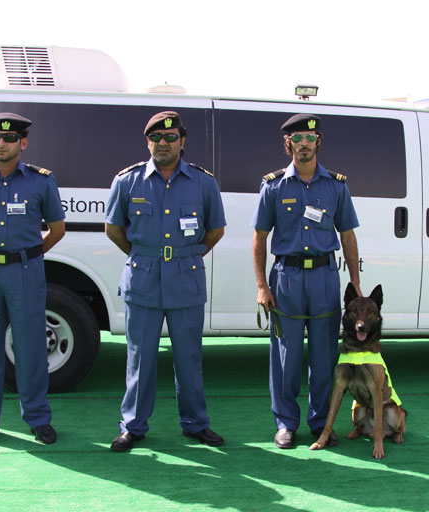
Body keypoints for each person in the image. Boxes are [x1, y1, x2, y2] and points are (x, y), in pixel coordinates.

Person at [105, 111, 226, 452]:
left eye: (171, 137)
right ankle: (133, 426)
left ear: (182, 141)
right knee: (139, 358)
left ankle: (195, 424)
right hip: (143, 279)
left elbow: (215, 229)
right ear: (148, 142)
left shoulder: (203, 183)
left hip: (185, 281)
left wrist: (188, 255)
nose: (163, 143)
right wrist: (144, 255)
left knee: (188, 358)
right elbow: (113, 228)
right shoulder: (128, 181)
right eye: (156, 137)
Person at [251, 113, 362, 449]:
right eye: (297, 139)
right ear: (289, 145)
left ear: (318, 142)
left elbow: (348, 235)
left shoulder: (336, 186)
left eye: (309, 139)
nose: (303, 145)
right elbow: (259, 238)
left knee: (324, 357)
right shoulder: (273, 186)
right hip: (286, 278)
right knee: (285, 357)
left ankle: (320, 423)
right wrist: (261, 285)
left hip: (325, 277)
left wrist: (355, 283)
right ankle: (286, 423)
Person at [0, 113, 66, 447]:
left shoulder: (40, 181)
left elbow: (57, 230)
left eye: (9, 138)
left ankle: (37, 419)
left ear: (23, 143)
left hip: (24, 271)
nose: (1, 143)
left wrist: (28, 254)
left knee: (31, 348)